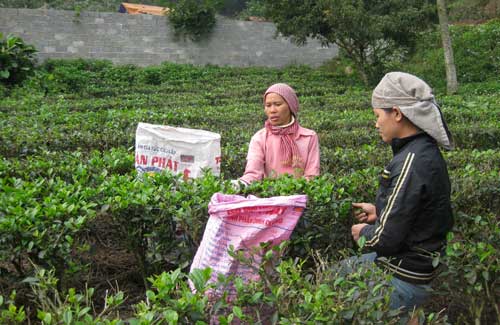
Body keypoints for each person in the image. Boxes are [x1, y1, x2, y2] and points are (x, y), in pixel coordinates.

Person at [348, 72, 454, 318]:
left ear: (396, 113)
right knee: (343, 271)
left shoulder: (411, 161)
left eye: (377, 116)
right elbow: (417, 211)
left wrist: (362, 233)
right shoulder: (422, 151)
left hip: (404, 272)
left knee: (334, 286)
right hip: (416, 265)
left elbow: (385, 241)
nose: (376, 124)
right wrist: (380, 212)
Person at [232, 83, 320, 188]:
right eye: (268, 105)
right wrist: (239, 185)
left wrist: (298, 180)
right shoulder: (259, 138)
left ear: (290, 106)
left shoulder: (309, 137)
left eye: (278, 104)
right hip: (269, 197)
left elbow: (312, 176)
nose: (272, 110)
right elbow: (253, 173)